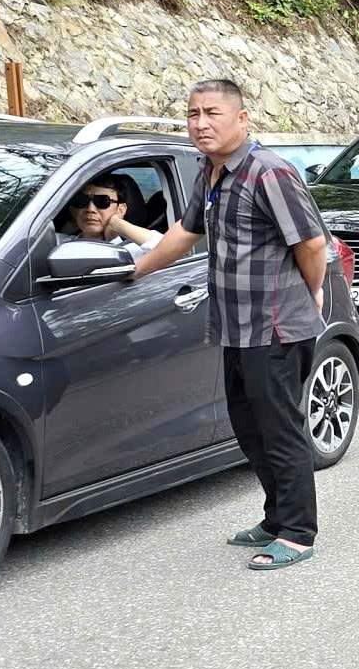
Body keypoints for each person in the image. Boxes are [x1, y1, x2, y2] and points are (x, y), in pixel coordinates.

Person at [132, 79, 331, 571]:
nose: (201, 123)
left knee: (279, 429)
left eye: (213, 113)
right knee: (249, 428)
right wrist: (135, 270)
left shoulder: (270, 173)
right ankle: (275, 516)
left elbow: (311, 245)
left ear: (242, 119)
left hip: (277, 327)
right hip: (235, 325)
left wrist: (313, 292)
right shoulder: (211, 171)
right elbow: (184, 232)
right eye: (193, 113)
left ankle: (299, 532)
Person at [60, 175, 164, 258]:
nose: (90, 209)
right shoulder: (56, 243)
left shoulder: (130, 251)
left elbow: (170, 248)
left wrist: (116, 223)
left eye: (102, 202)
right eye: (81, 201)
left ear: (121, 209)